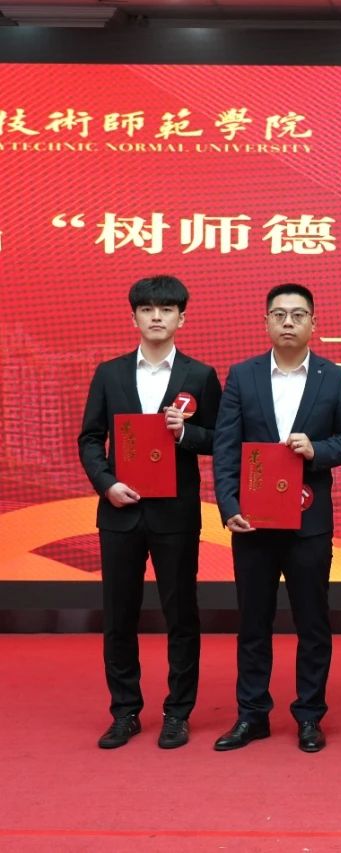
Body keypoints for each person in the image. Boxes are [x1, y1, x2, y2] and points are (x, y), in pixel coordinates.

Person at [211, 283, 341, 753]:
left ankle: (309, 715)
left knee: (312, 622)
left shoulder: (334, 378)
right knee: (252, 621)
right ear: (266, 323)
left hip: (309, 522)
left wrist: (318, 450)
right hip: (253, 521)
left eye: (298, 314)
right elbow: (225, 446)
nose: (289, 322)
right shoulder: (243, 376)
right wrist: (229, 506)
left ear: (314, 323)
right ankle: (251, 714)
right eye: (279, 314)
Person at [78, 275, 222, 750]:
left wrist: (186, 433)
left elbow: (220, 438)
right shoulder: (109, 373)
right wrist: (107, 484)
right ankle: (125, 711)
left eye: (166, 309)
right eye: (147, 309)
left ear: (182, 317)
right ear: (134, 316)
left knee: (181, 614)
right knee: (119, 615)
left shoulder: (200, 375)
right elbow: (90, 438)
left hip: (175, 514)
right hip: (120, 511)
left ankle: (178, 712)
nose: (156, 316)